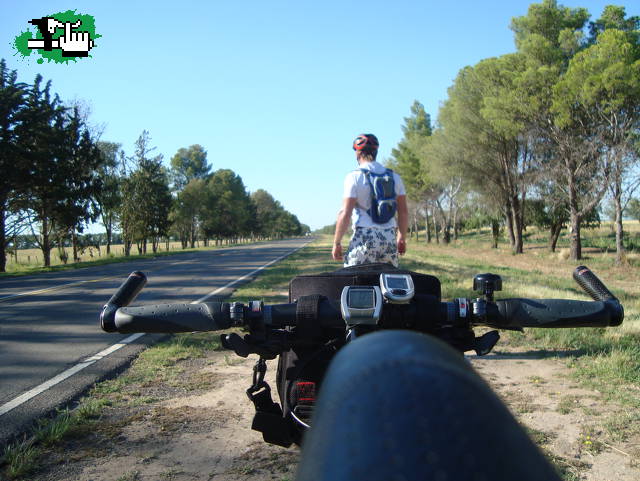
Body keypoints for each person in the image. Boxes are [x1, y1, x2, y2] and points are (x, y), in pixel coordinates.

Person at [332, 134, 408, 267]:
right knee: (386, 281)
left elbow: (345, 213)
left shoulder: (354, 177)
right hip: (389, 237)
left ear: (358, 153)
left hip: (364, 237)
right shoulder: (395, 177)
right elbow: (403, 212)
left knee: (354, 279)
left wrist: (337, 242)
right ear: (376, 152)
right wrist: (401, 238)